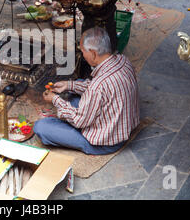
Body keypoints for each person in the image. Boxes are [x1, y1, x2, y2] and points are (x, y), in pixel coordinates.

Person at [34, 26, 140, 155]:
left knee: (41, 127)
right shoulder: (123, 61)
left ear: (94, 53)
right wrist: (69, 85)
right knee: (78, 84)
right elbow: (96, 89)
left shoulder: (97, 86)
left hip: (105, 142)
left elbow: (80, 121)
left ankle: (78, 134)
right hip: (121, 127)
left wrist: (55, 100)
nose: (83, 55)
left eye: (83, 52)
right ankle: (70, 105)